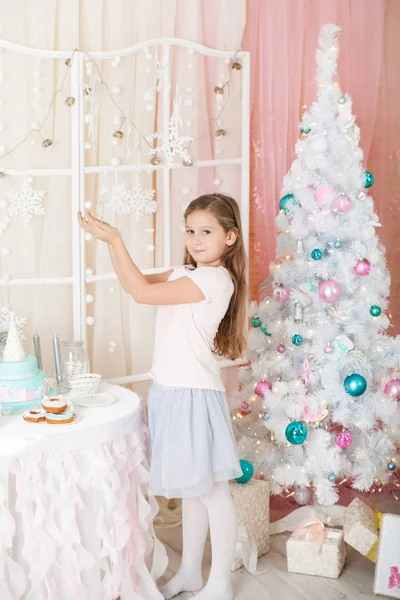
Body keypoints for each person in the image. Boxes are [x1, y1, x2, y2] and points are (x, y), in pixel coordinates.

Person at [78, 193, 247, 600]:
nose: (196, 239)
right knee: (193, 488)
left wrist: (116, 239)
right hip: (171, 391)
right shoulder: (185, 273)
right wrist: (111, 244)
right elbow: (132, 281)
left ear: (230, 237)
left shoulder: (212, 279)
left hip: (192, 394)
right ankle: (190, 571)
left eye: (206, 232)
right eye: (190, 231)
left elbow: (140, 292)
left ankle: (220, 582)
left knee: (213, 492)